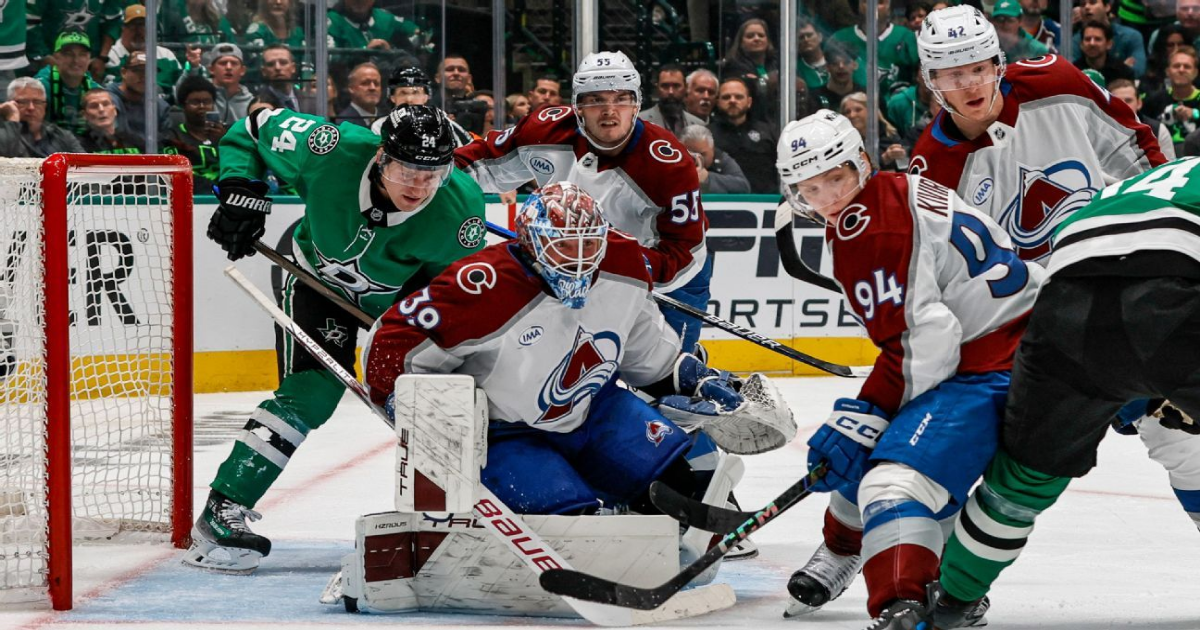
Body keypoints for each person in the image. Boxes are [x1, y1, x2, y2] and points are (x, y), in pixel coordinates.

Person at [786, 4, 1168, 620]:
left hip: (1108, 300)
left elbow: (1137, 150)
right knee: (919, 438)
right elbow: (943, 293)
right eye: (949, 74)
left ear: (999, 62)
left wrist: (1164, 245)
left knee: (1178, 430)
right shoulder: (931, 166)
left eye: (978, 67)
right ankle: (850, 548)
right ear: (929, 82)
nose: (968, 84)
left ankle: (874, 550)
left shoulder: (1056, 82)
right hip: (1026, 328)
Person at [183, 104, 488, 573]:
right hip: (313, 280)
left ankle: (451, 517)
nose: (418, 186)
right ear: (381, 157)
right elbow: (254, 127)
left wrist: (408, 341)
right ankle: (222, 510)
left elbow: (445, 294)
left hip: (399, 303)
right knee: (313, 392)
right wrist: (242, 189)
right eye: (406, 170)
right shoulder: (330, 147)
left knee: (441, 394)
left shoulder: (461, 210)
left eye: (433, 174)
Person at [776, 108, 1044, 630]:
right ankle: (842, 548)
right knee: (872, 440)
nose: (828, 197)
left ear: (861, 162)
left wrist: (867, 410)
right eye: (811, 188)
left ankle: (916, 596)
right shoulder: (894, 190)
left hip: (995, 361)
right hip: (998, 341)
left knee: (893, 479)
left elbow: (929, 342)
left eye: (836, 178)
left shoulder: (870, 229)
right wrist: (867, 417)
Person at [362, 182, 744, 520]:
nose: (579, 259)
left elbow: (646, 353)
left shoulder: (623, 261)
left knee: (677, 483)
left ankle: (649, 525)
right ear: (532, 244)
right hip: (507, 434)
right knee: (569, 524)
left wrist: (694, 378)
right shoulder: (483, 287)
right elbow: (392, 341)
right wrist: (410, 403)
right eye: (563, 246)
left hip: (596, 408)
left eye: (588, 244)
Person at [931, 156, 1200, 629]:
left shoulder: (1139, 184)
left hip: (1064, 307)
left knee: (1021, 483)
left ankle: (951, 600)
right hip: (1173, 296)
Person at [454, 51, 711, 354]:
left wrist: (609, 262)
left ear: (637, 104)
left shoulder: (667, 165)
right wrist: (431, 180)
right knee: (561, 362)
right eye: (596, 100)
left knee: (668, 372)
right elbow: (476, 165)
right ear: (577, 105)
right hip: (569, 264)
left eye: (621, 99)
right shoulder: (544, 130)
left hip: (670, 278)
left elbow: (682, 255)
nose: (609, 111)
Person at [829, 0, 919, 96]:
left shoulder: (906, 37)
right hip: (850, 102)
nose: (872, 7)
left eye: (880, 2)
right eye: (866, 2)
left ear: (889, 8)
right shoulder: (840, 38)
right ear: (858, 6)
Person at [371, 66, 473, 147]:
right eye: (403, 93)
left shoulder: (441, 121)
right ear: (392, 97)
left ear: (426, 97)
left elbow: (466, 147)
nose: (409, 99)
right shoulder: (380, 126)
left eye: (416, 92)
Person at [709, 76, 779, 194]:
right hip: (722, 201)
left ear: (749, 102)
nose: (732, 100)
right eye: (726, 97)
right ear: (718, 102)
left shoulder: (769, 132)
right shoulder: (708, 135)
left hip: (765, 201)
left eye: (739, 97)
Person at [104, 5, 183, 98]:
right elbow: (112, 90)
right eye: (133, 25)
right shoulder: (110, 56)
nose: (138, 31)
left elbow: (182, 87)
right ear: (123, 28)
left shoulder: (166, 55)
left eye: (142, 25)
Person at [163, 76, 225, 191]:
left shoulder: (226, 135)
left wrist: (224, 142)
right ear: (183, 106)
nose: (202, 107)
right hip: (190, 195)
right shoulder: (173, 138)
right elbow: (174, 177)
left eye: (207, 102)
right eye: (195, 102)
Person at [35, 31, 101, 135]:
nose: (76, 60)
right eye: (68, 54)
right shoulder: (40, 88)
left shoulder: (95, 90)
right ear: (56, 57)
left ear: (89, 59)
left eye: (82, 55)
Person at [0, 77, 85, 157]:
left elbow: (85, 164)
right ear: (10, 104)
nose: (31, 108)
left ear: (45, 106)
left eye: (37, 102)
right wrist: (13, 121)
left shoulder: (61, 136)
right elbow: (7, 159)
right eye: (23, 101)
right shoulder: (3, 134)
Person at [721, 17, 780, 123]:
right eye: (750, 36)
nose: (756, 39)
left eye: (761, 35)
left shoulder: (777, 63)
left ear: (768, 40)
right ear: (741, 42)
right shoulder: (733, 67)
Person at [1143, 47, 1200, 156]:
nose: (1181, 70)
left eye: (1187, 66)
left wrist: (1195, 114)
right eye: (1176, 66)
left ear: (1195, 72)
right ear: (1167, 71)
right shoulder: (1154, 100)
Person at [105, 50, 171, 139]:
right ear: (123, 72)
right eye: (138, 71)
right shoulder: (107, 101)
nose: (144, 76)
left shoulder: (159, 107)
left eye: (149, 71)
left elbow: (165, 140)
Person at [1071, 0, 1146, 76]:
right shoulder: (1075, 41)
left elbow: (1137, 71)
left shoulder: (1131, 36)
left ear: (1107, 7)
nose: (1086, 7)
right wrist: (1121, 69)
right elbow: (1072, 72)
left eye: (1093, 2)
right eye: (1082, 4)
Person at [1108, 78, 1176, 160]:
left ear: (1139, 103)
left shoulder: (1158, 130)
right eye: (1117, 101)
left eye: (1128, 100)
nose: (1123, 106)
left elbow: (1169, 165)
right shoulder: (1098, 131)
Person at [840, 91, 909, 172]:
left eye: (858, 110)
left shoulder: (889, 134)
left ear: (871, 111)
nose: (852, 115)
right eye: (847, 112)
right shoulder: (843, 143)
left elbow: (903, 167)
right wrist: (883, 159)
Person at [680, 123, 751, 194]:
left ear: (712, 149)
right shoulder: (675, 159)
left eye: (702, 154)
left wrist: (708, 178)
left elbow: (744, 187)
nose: (696, 158)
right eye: (690, 154)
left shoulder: (721, 159)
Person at [639, 64, 704, 138]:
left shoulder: (699, 125)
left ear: (686, 87)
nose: (671, 92)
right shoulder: (639, 122)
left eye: (676, 86)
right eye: (665, 86)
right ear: (657, 88)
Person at [77, 87, 143, 154]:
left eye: (106, 104)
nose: (101, 109)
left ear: (115, 110)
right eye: (94, 106)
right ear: (84, 115)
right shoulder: (79, 145)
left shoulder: (134, 140)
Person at [203, 43, 253, 126]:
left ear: (242, 70)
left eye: (234, 63)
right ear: (211, 69)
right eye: (223, 63)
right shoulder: (202, 96)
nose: (228, 67)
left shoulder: (251, 102)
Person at [159, 0, 237, 46]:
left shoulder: (218, 20)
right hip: (186, 66)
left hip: (215, 67)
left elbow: (232, 48)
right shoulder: (174, 11)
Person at [814, 43, 864, 110]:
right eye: (835, 63)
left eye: (846, 62)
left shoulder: (866, 95)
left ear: (855, 65)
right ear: (827, 67)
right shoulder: (815, 98)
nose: (841, 66)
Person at [337, 63, 383, 128]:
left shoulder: (388, 119)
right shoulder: (341, 124)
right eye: (365, 83)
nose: (372, 88)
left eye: (376, 83)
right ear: (351, 88)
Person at [258, 45, 300, 112]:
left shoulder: (311, 99)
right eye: (271, 64)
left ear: (293, 68)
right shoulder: (259, 103)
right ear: (264, 71)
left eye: (283, 63)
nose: (278, 68)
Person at [796, 18, 830, 93]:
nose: (806, 40)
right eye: (801, 37)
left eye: (809, 35)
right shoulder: (795, 70)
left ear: (820, 37)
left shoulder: (836, 61)